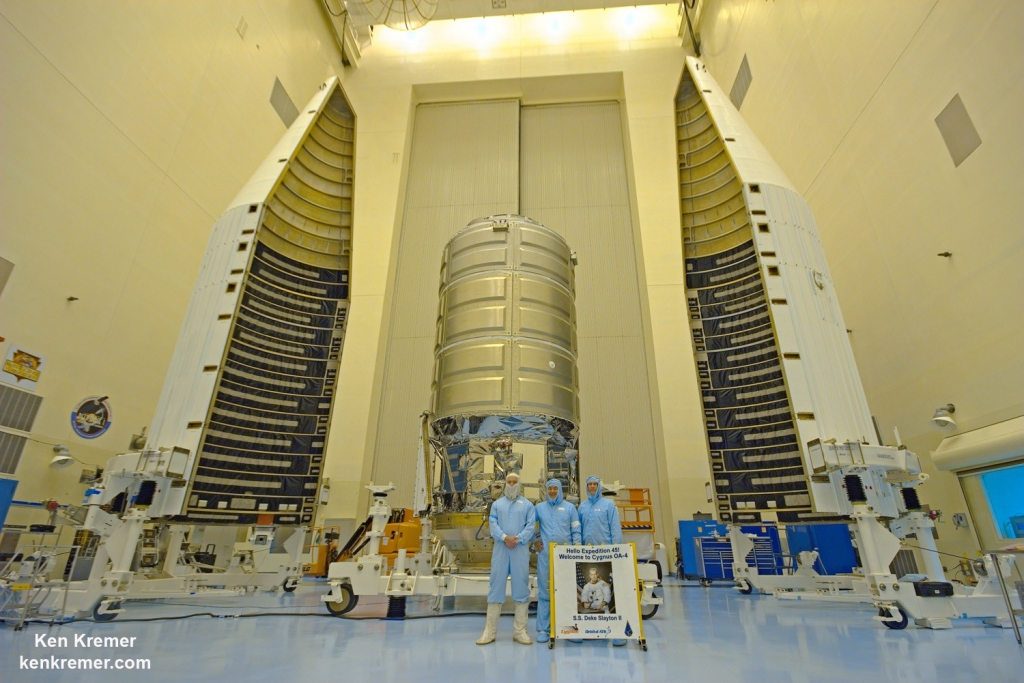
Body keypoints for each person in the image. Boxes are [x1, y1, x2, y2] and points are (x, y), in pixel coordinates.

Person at [477, 471, 536, 645]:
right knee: (496, 587)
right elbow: (492, 523)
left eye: (514, 481)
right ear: (505, 484)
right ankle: (489, 632)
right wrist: (504, 538)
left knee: (521, 588)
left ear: (519, 484)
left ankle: (520, 631)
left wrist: (517, 539)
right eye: (509, 481)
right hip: (501, 549)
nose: (511, 484)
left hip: (519, 549)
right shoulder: (497, 505)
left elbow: (530, 526)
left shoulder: (527, 505)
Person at [577, 476, 626, 646]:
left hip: (606, 553)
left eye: (594, 484)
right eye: (589, 484)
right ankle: (590, 628)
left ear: (599, 487)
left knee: (613, 592)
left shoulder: (608, 505)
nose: (592, 487)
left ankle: (619, 631)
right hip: (587, 553)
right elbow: (579, 529)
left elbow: (615, 528)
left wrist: (616, 549)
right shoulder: (582, 507)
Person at [532, 478, 581, 643]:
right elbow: (529, 525)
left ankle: (569, 629)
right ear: (546, 490)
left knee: (568, 591)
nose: (552, 491)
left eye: (555, 488)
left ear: (561, 490)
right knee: (545, 592)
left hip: (566, 556)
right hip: (546, 556)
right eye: (550, 488)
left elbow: (576, 530)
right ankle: (543, 629)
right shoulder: (539, 508)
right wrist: (534, 540)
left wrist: (577, 550)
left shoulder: (570, 508)